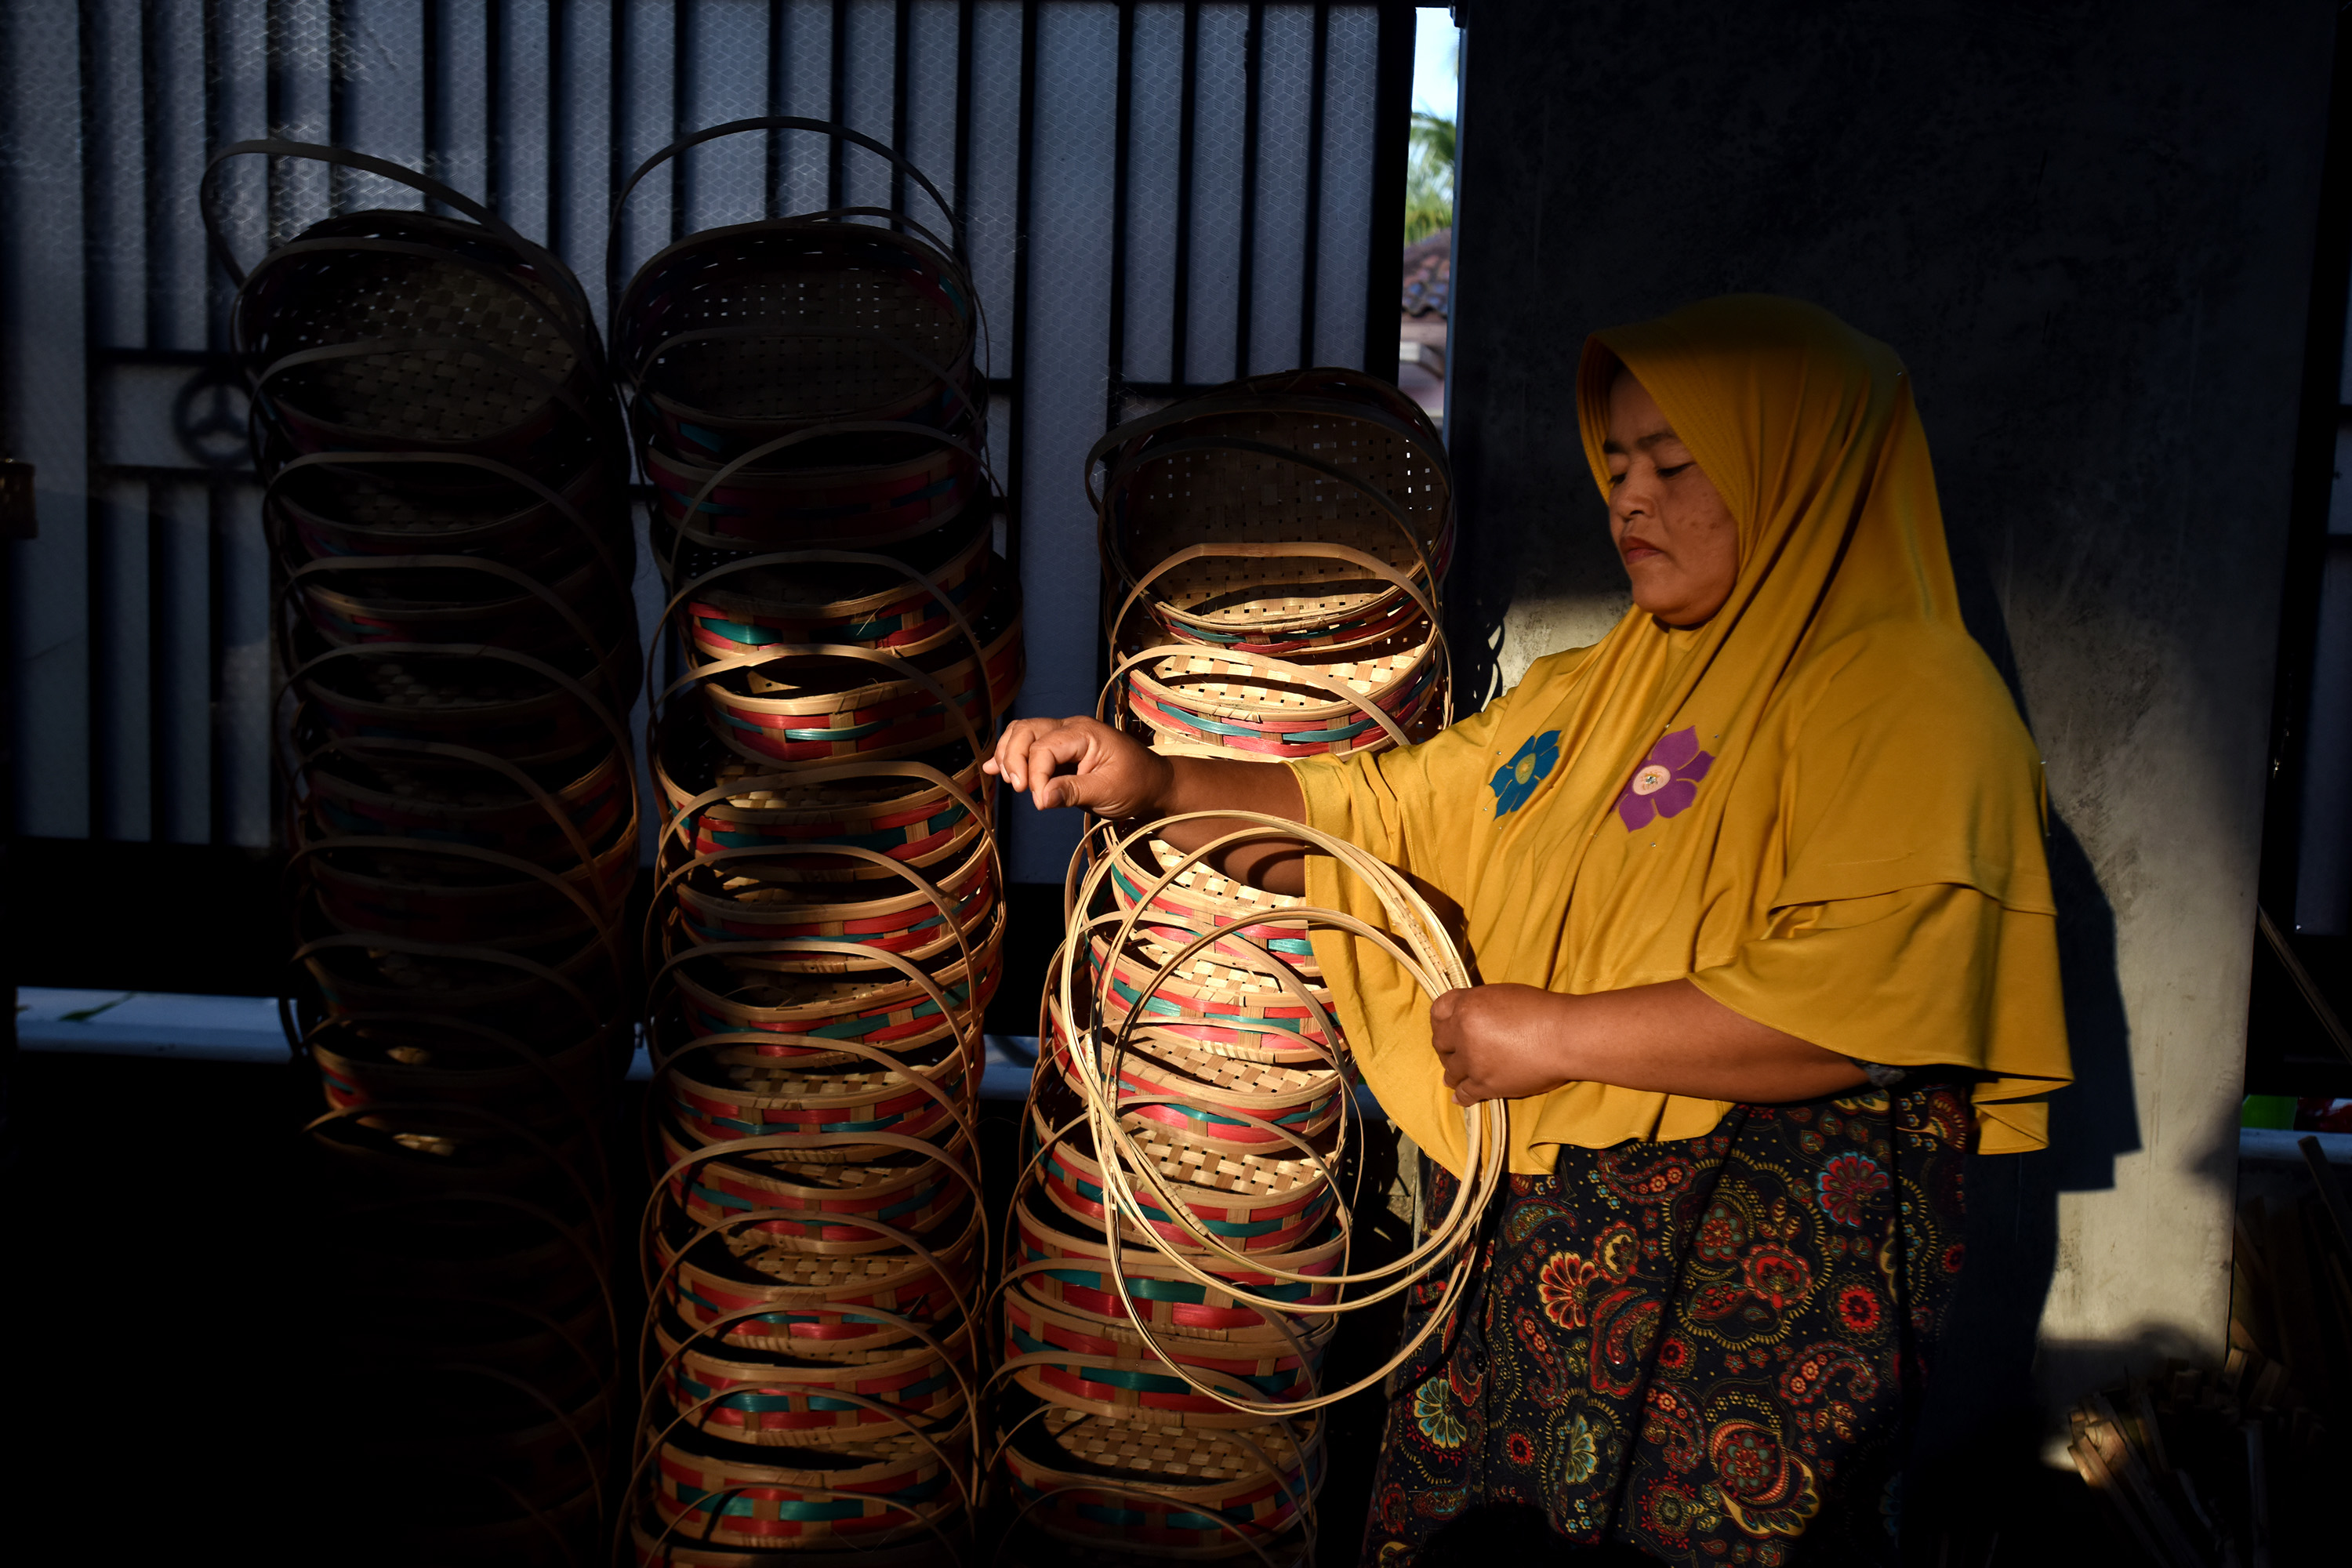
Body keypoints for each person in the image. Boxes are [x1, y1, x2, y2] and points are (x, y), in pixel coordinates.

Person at [984, 296, 2072, 1566]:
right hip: (1535, 1256)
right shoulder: (1593, 695)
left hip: (1740, 1271)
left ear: (1802, 465)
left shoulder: (1912, 697)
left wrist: (1552, 1037)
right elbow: (1373, 812)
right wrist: (1157, 782)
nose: (1631, 500)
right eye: (1616, 465)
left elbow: (1868, 999)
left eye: (1675, 464)